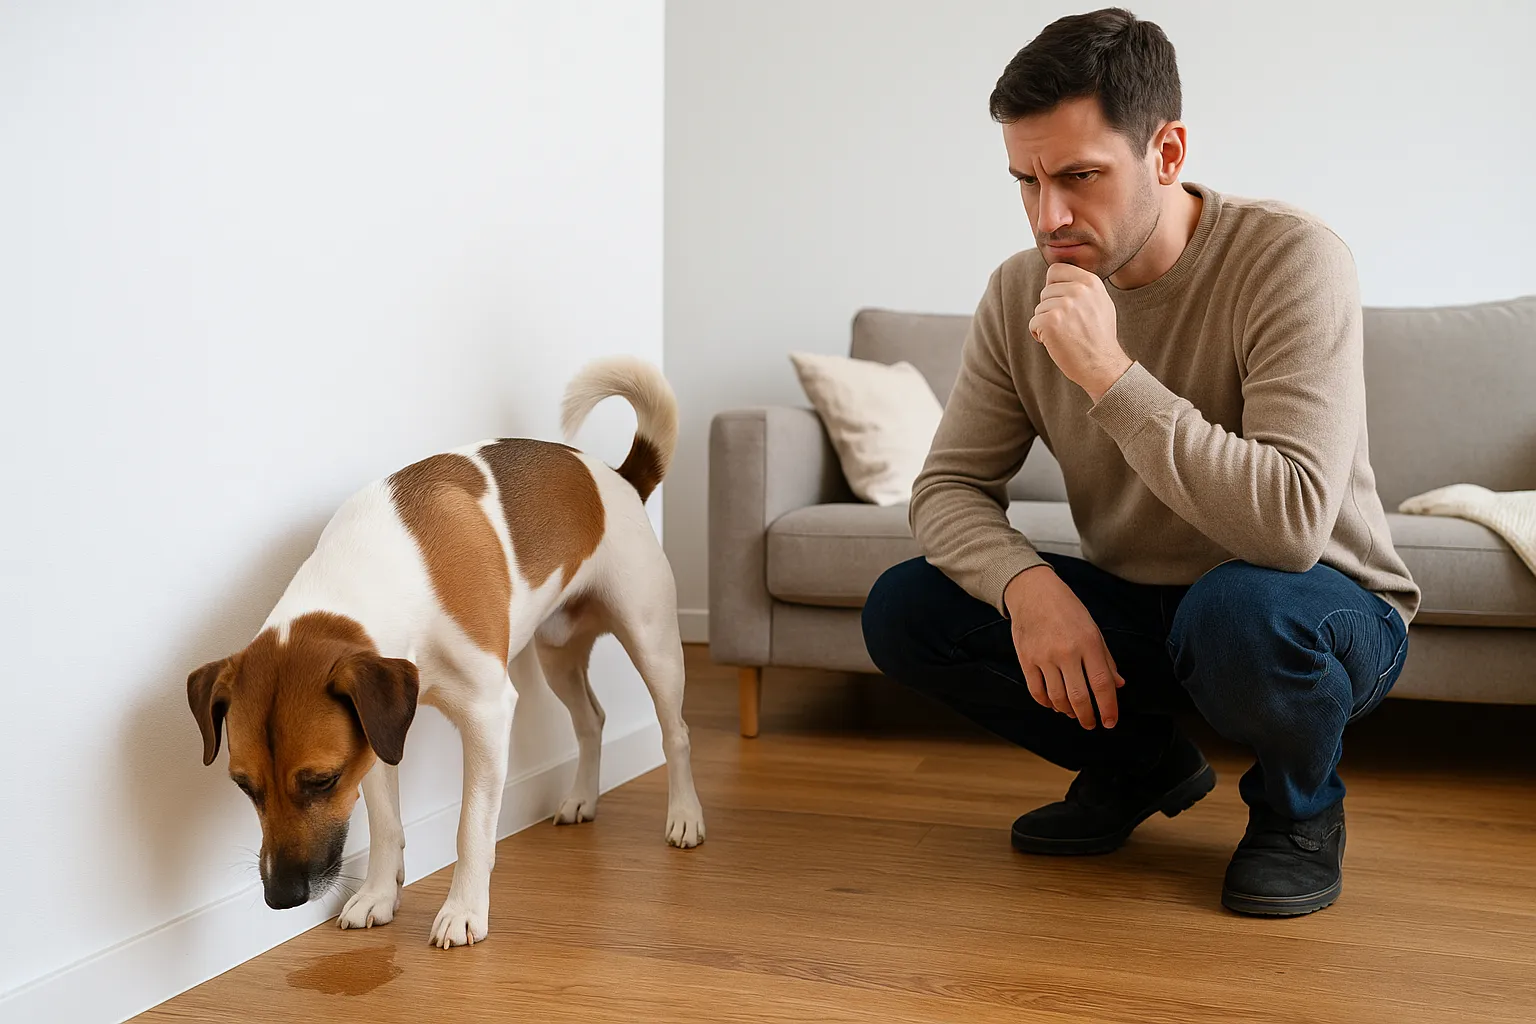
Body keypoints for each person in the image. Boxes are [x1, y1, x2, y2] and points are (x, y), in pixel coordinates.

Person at [860, 7, 1418, 917]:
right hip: (1152, 610)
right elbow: (950, 488)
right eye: (1026, 180)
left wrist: (1109, 376)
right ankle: (1140, 761)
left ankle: (1297, 811)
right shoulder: (1017, 292)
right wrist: (1026, 589)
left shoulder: (1290, 259)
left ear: (1166, 151)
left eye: (1080, 176)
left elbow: (1289, 525)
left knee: (1239, 606)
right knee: (907, 607)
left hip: (1319, 606)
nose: (1050, 216)